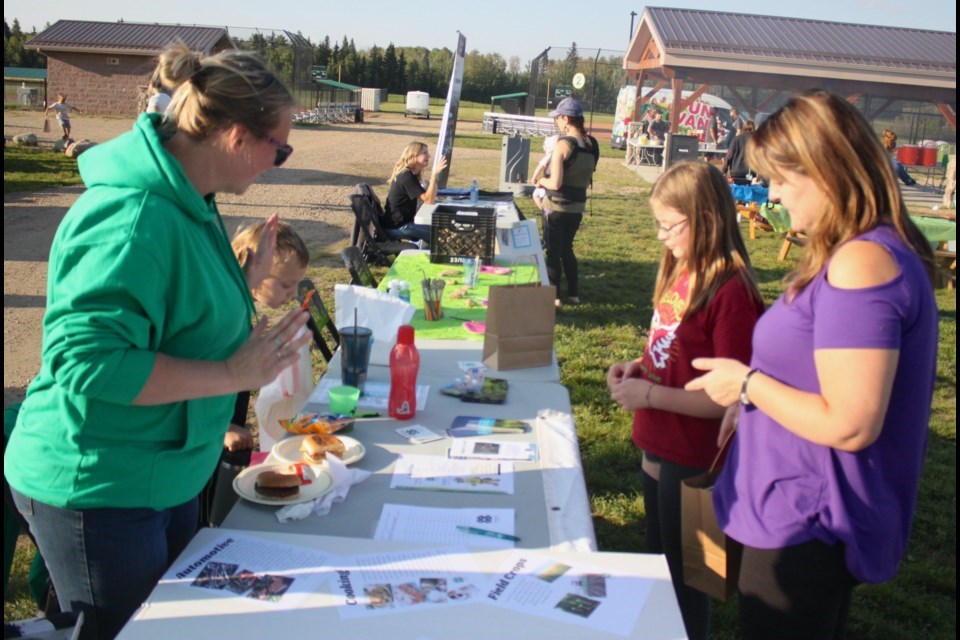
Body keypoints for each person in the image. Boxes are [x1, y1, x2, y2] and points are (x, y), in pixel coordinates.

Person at [5, 43, 310, 639]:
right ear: (237, 136)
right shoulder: (135, 215)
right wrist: (232, 376)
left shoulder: (189, 199)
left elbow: (174, 306)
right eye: (281, 146)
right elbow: (85, 363)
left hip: (162, 475)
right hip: (100, 487)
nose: (279, 161)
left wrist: (241, 284)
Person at [687, 90, 938, 640]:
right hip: (797, 506)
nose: (772, 195)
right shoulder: (856, 252)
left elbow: (850, 421)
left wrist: (747, 385)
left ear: (825, 171)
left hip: (808, 518)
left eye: (779, 179)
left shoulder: (863, 263)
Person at [607, 161, 763, 640]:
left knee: (691, 583)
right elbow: (673, 344)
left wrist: (650, 393)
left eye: (670, 225)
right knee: (661, 569)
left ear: (707, 220)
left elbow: (727, 400)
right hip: (658, 445)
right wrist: (641, 366)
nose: (661, 236)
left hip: (696, 461)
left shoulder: (731, 293)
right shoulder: (681, 269)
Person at [197, 218, 312, 527]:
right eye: (286, 284)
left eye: (297, 284)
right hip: (204, 439)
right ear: (255, 266)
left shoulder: (237, 305)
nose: (293, 293)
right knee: (203, 517)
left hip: (218, 432)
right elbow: (196, 373)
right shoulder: (222, 310)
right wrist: (223, 427)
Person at [534, 97, 599, 306]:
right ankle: (573, 294)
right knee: (567, 249)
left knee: (553, 251)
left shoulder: (564, 144)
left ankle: (554, 297)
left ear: (565, 119)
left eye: (558, 119)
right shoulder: (592, 144)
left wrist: (539, 180)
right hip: (577, 206)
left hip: (556, 206)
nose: (556, 123)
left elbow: (555, 182)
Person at [383, 141, 448, 245]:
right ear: (414, 155)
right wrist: (434, 175)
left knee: (437, 231)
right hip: (398, 227)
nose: (429, 156)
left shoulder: (409, 174)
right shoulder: (406, 176)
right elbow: (429, 200)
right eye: (424, 153)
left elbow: (429, 198)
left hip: (400, 224)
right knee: (439, 234)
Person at [722, 119, 756, 185]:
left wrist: (724, 171)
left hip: (736, 173)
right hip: (750, 173)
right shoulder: (756, 140)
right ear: (754, 129)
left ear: (744, 128)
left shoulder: (736, 139)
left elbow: (729, 156)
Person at [531, 134, 559, 210]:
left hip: (548, 179)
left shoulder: (550, 155)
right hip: (555, 179)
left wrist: (534, 177)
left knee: (536, 195)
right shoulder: (560, 155)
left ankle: (544, 210)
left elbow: (541, 165)